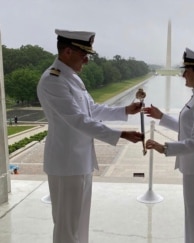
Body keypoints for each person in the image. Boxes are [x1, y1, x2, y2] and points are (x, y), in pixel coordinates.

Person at [37, 29, 142, 243]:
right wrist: (120, 134)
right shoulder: (53, 80)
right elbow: (78, 120)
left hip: (80, 162)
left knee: (80, 224)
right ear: (67, 52)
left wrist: (125, 111)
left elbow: (91, 109)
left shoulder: (72, 78)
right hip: (66, 165)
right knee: (66, 229)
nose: (86, 60)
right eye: (83, 53)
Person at [144, 48, 194, 243]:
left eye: (187, 69)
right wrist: (161, 117)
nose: (183, 74)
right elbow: (187, 127)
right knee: (193, 217)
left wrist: (166, 148)